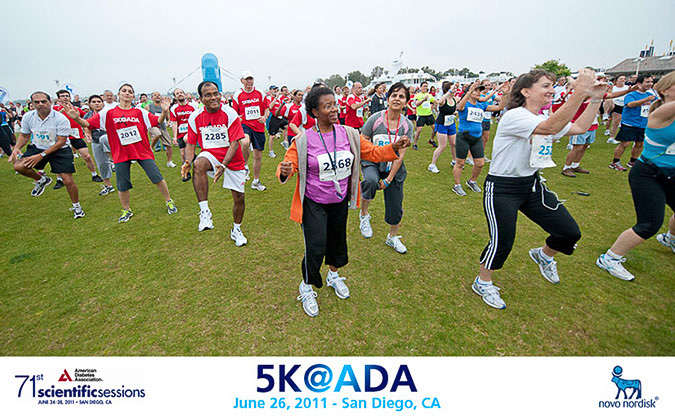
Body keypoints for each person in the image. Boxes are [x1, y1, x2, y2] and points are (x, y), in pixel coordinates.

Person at [473, 68, 607, 310]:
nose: (552, 90)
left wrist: (595, 99)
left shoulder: (542, 118)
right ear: (526, 91)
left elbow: (579, 128)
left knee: (569, 232)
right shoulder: (515, 116)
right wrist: (579, 92)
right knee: (502, 241)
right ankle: (483, 282)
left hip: (531, 185)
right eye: (546, 86)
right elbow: (550, 128)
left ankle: (544, 255)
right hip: (502, 188)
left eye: (552, 86)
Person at [276, 85, 410, 317]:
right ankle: (306, 286)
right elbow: (288, 164)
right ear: (314, 112)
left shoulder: (349, 134)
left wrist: (393, 148)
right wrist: (285, 170)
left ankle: (334, 275)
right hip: (314, 202)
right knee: (316, 246)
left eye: (335, 104)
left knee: (337, 243)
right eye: (327, 106)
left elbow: (373, 153)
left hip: (339, 201)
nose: (334, 109)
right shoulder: (303, 139)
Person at [596, 71, 675, 280]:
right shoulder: (660, 112)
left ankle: (670, 238)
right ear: (665, 90)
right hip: (649, 173)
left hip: (671, 173)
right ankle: (610, 258)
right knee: (649, 224)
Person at [65, 83, 178, 223]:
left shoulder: (140, 112)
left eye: (130, 91)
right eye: (124, 91)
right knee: (122, 184)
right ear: (118, 94)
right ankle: (126, 210)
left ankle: (169, 201)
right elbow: (87, 123)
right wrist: (76, 118)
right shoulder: (108, 112)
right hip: (121, 153)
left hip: (142, 151)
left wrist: (164, 111)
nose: (127, 93)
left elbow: (157, 121)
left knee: (157, 177)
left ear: (133, 95)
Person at [181, 81, 249, 245]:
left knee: (239, 197)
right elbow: (190, 143)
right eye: (208, 95)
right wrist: (188, 162)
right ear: (201, 99)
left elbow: (235, 143)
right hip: (210, 155)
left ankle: (236, 230)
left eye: (215, 93)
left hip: (232, 159)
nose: (213, 97)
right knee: (198, 164)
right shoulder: (195, 116)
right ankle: (205, 212)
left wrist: (223, 165)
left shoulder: (230, 113)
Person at [8, 91, 85, 218]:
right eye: (36, 102)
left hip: (59, 149)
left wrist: (41, 155)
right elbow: (24, 135)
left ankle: (77, 207)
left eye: (43, 101)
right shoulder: (28, 117)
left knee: (67, 180)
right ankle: (41, 180)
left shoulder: (60, 118)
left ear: (50, 102)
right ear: (32, 104)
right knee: (18, 166)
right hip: (38, 147)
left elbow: (61, 141)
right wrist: (16, 148)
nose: (40, 104)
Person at [358, 82, 412, 254]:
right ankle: (364, 215)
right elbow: (363, 141)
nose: (397, 99)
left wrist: (389, 179)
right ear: (387, 99)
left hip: (393, 166)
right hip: (372, 161)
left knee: (396, 204)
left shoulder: (407, 125)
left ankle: (392, 237)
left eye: (401, 96)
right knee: (370, 181)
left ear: (406, 102)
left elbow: (400, 155)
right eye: (394, 95)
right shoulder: (375, 119)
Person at [452, 81, 509, 196]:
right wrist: (469, 91)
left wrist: (505, 94)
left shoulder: (481, 105)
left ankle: (472, 181)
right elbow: (460, 107)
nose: (479, 93)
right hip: (463, 137)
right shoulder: (465, 104)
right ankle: (457, 185)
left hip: (477, 137)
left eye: (480, 91)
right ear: (470, 92)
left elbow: (500, 107)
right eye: (476, 90)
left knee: (480, 163)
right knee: (460, 163)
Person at [53, 90, 103, 187]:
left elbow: (87, 120)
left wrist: (87, 132)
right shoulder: (54, 110)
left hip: (76, 136)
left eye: (67, 96)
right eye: (62, 96)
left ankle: (94, 174)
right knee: (57, 158)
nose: (65, 98)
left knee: (87, 156)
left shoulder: (76, 109)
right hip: (61, 136)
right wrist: (61, 112)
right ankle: (59, 180)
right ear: (58, 99)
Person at [231, 71, 270, 191]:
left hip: (258, 126)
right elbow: (234, 112)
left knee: (258, 156)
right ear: (242, 81)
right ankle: (245, 165)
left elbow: (267, 109)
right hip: (245, 125)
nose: (249, 81)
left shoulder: (260, 93)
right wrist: (237, 117)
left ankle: (256, 181)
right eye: (246, 79)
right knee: (245, 142)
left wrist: (264, 117)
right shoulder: (237, 95)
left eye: (251, 79)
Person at [610, 74, 656, 171]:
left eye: (651, 82)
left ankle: (633, 161)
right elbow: (630, 104)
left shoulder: (651, 95)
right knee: (625, 143)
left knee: (640, 144)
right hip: (630, 123)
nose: (650, 84)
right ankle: (615, 162)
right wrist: (645, 100)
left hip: (644, 123)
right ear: (639, 83)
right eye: (647, 82)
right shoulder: (632, 95)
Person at [83, 94, 115, 195]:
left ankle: (112, 160)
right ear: (89, 104)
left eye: (98, 101)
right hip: (95, 141)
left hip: (110, 139)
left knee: (104, 138)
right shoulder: (87, 116)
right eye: (94, 102)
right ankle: (108, 186)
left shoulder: (108, 113)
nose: (96, 104)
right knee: (101, 164)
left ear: (102, 103)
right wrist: (88, 135)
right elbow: (86, 126)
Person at [428, 81, 458, 173]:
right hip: (442, 124)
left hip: (451, 124)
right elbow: (439, 102)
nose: (455, 90)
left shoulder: (455, 99)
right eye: (453, 88)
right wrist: (449, 92)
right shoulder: (443, 100)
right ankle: (432, 165)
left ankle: (454, 161)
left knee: (454, 144)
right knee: (442, 146)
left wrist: (454, 113)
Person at [169, 88, 199, 180]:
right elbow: (174, 123)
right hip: (180, 134)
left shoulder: (194, 106)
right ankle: (188, 170)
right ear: (175, 97)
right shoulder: (174, 108)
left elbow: (198, 118)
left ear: (184, 94)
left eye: (181, 92)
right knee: (183, 154)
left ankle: (193, 166)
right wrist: (174, 137)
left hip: (192, 132)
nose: (180, 94)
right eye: (177, 93)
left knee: (188, 148)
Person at [146, 91, 176, 168]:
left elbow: (168, 117)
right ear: (152, 98)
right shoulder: (148, 107)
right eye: (155, 95)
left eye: (159, 95)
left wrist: (168, 122)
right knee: (157, 134)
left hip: (163, 127)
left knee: (169, 145)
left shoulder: (164, 106)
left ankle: (169, 162)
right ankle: (150, 148)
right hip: (153, 126)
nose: (157, 96)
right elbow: (144, 116)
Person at [412, 81, 436, 150]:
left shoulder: (429, 95)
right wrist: (423, 99)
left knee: (435, 128)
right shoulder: (417, 95)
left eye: (426, 86)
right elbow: (417, 104)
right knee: (419, 130)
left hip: (429, 114)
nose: (425, 87)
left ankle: (431, 140)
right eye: (424, 86)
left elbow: (435, 101)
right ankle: (415, 144)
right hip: (421, 115)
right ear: (421, 87)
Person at [607, 76, 629, 144]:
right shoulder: (613, 88)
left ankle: (624, 136)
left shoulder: (627, 87)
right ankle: (611, 137)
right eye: (621, 79)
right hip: (616, 105)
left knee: (625, 122)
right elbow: (608, 96)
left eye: (624, 79)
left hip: (625, 105)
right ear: (616, 81)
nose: (623, 80)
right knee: (615, 122)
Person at [269, 86, 291, 150]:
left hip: (280, 117)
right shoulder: (269, 98)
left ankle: (285, 141)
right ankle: (271, 151)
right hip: (273, 117)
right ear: (270, 90)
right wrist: (276, 97)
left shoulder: (279, 99)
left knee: (287, 127)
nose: (275, 91)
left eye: (276, 89)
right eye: (274, 89)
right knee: (272, 136)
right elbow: (270, 107)